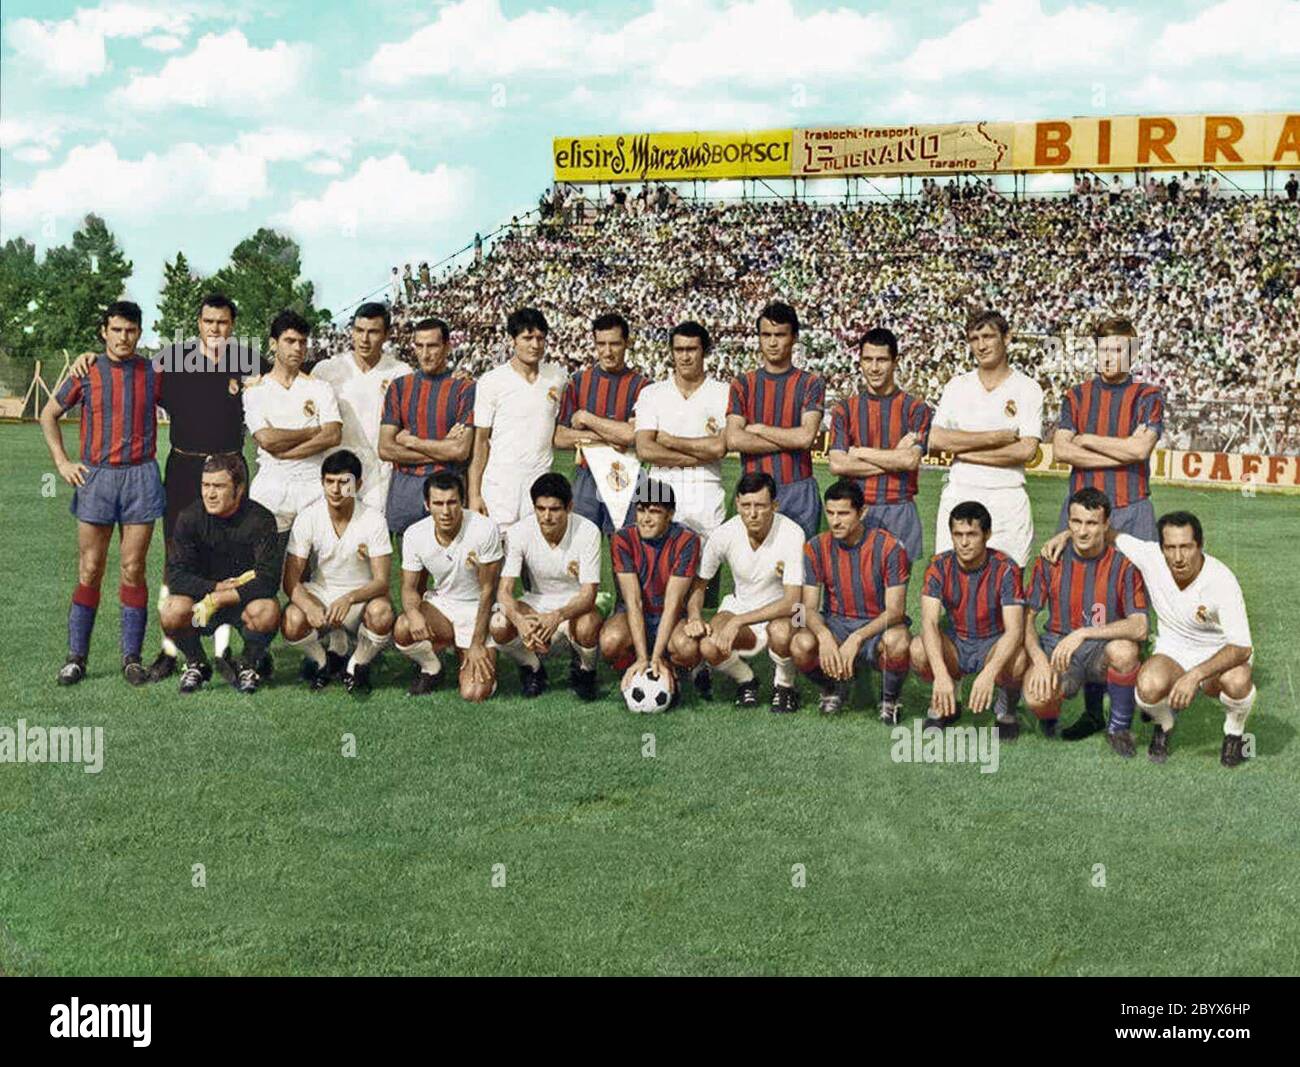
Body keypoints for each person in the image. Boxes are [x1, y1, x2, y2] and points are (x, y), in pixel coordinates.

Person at [67, 292, 248, 682]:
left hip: (231, 469)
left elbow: (283, 373)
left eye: (223, 322)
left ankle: (225, 651)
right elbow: (123, 363)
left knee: (230, 558)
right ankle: (170, 649)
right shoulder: (172, 361)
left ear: (233, 326)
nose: (216, 329)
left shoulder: (246, 361)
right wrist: (87, 356)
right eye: (208, 322)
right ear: (198, 323)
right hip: (184, 468)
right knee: (175, 559)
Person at [1040, 510, 1255, 767]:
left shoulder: (1221, 579)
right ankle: (1164, 725)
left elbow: (1241, 647)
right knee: (1149, 686)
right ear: (1161, 547)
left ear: (1200, 545)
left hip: (1218, 651)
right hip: (1174, 650)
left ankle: (1234, 734)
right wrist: (1067, 534)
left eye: (1186, 547)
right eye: (1170, 547)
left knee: (1238, 680)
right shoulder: (1150, 556)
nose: (1177, 557)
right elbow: (1108, 534)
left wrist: (1195, 675)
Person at [40, 300, 166, 686]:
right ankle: (76, 657)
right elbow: (48, 414)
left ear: (139, 333)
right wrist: (62, 462)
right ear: (104, 332)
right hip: (97, 478)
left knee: (133, 568)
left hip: (141, 477)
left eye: (130, 330)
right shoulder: (87, 370)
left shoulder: (153, 370)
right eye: (116, 330)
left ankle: (131, 657)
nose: (123, 337)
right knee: (90, 568)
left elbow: (197, 382)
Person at [1022, 488, 1149, 754]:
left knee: (1124, 651)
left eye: (1091, 523)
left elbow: (1140, 626)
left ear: (1106, 524)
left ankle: (1118, 728)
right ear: (1068, 523)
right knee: (1037, 698)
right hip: (1058, 647)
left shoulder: (1124, 566)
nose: (1082, 531)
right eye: (1076, 522)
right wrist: (1039, 662)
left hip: (1100, 649)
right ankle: (1051, 716)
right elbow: (1027, 619)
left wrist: (1083, 633)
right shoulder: (1050, 561)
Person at [160, 453, 283, 695]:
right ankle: (196, 663)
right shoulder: (189, 518)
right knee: (172, 610)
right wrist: (215, 589)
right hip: (202, 607)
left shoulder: (261, 519)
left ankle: (249, 663)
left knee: (267, 611)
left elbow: (268, 580)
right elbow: (175, 576)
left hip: (244, 603)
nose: (210, 494)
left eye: (219, 486)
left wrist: (223, 597)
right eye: (206, 485)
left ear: (239, 489)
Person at [789, 480, 911, 719]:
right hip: (836, 623)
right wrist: (824, 636)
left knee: (899, 642)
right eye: (830, 512)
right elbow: (806, 608)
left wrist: (857, 638)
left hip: (877, 624)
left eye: (843, 513)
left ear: (862, 512)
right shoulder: (815, 547)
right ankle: (832, 688)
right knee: (799, 644)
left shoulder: (890, 547)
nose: (835, 521)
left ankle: (890, 699)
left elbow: (896, 610)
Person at [929, 310, 1042, 566]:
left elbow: (1025, 451)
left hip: (1007, 493)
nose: (981, 345)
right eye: (974, 338)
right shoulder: (957, 386)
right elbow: (936, 439)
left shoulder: (1027, 388)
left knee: (1008, 581)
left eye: (988, 336)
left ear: (1007, 337)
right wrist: (994, 438)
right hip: (961, 489)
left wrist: (963, 451)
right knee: (952, 578)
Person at [683, 472, 804, 711]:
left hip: (783, 611)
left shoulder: (792, 533)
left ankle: (784, 686)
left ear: (774, 506)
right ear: (737, 503)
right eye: (746, 505)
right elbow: (699, 584)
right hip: (741, 606)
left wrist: (739, 621)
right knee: (709, 645)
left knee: (781, 632)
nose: (752, 513)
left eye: (760, 505)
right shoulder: (724, 534)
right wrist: (695, 616)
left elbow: (792, 601)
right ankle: (746, 681)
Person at [280, 450, 394, 693]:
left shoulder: (374, 519)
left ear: (358, 485)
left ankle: (356, 664)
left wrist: (350, 597)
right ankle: (323, 662)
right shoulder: (308, 517)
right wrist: (310, 607)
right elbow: (291, 580)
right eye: (330, 481)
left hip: (359, 597)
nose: (336, 489)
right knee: (292, 620)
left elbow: (382, 582)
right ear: (322, 483)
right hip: (321, 593)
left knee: (382, 613)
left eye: (344, 482)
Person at [911, 501, 1027, 739]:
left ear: (987, 535)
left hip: (992, 643)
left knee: (1019, 659)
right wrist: (941, 674)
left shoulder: (1006, 569)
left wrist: (989, 672)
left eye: (972, 534)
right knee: (918, 649)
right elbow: (929, 623)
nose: (963, 542)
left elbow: (1015, 630)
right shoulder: (939, 566)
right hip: (957, 642)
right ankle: (946, 703)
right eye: (958, 534)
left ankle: (1006, 710)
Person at [489, 473, 603, 700]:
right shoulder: (518, 532)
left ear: (569, 507)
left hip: (573, 604)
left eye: (555, 509)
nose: (547, 516)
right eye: (540, 509)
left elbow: (588, 594)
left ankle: (585, 671)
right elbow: (504, 591)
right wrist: (520, 621)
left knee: (588, 624)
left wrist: (556, 616)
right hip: (536, 601)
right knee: (499, 624)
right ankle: (533, 669)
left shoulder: (588, 531)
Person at [826, 326, 932, 564]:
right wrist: (895, 458)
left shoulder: (916, 409)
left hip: (899, 509)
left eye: (882, 360)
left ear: (896, 362)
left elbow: (910, 460)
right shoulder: (845, 409)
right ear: (860, 361)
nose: (874, 368)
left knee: (893, 599)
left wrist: (859, 452)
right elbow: (837, 464)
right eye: (868, 360)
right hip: (854, 511)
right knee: (851, 591)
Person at [394, 471, 503, 702]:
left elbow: (488, 591)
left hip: (479, 609)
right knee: (403, 627)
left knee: (474, 693)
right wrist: (413, 613)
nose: (446, 511)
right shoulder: (415, 534)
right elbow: (408, 588)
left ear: (462, 502)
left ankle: (474, 655)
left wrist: (476, 644)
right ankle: (433, 667)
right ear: (427, 504)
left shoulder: (485, 529)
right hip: (443, 607)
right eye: (438, 503)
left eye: (452, 502)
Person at [1052, 316, 1164, 539]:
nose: (1109, 358)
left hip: (1132, 508)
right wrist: (1124, 454)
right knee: (1070, 573)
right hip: (1081, 509)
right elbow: (1061, 451)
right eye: (1104, 350)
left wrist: (1087, 440)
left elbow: (1140, 450)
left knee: (1139, 574)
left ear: (1132, 355)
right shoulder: (1077, 395)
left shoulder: (1147, 396)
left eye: (1117, 351)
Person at [725, 301, 826, 539]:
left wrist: (759, 429)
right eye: (766, 335)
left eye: (780, 335)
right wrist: (791, 438)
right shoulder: (743, 384)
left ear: (794, 338)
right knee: (755, 570)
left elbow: (805, 438)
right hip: (753, 490)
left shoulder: (811, 383)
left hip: (798, 489)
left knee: (798, 569)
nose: (772, 342)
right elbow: (734, 439)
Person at [599, 479, 701, 707]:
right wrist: (644, 657)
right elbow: (633, 602)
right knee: (609, 642)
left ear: (670, 515)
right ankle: (636, 665)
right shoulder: (622, 539)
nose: (645, 518)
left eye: (654, 512)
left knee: (688, 648)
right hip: (634, 614)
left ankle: (669, 666)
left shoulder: (687, 540)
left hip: (671, 616)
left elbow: (673, 603)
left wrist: (655, 657)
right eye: (641, 510)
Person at [243, 310, 342, 542]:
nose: (297, 348)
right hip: (271, 484)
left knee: (315, 566)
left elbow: (332, 435)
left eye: (302, 342)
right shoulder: (256, 390)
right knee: (267, 564)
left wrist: (287, 453)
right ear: (273, 344)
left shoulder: (320, 387)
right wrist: (312, 431)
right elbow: (266, 439)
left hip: (313, 484)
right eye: (290, 341)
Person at [468, 307, 567, 533]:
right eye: (527, 338)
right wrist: (474, 495)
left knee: (535, 559)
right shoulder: (492, 381)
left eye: (540, 338)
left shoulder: (557, 377)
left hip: (540, 481)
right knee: (497, 560)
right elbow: (481, 442)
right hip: (500, 484)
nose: (535, 345)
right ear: (512, 340)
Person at [377, 317, 475, 538]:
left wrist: (411, 441)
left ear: (447, 346)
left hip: (449, 487)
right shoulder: (399, 387)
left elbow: (460, 451)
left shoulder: (465, 388)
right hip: (406, 488)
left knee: (452, 564)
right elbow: (385, 449)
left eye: (432, 345)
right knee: (409, 565)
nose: (425, 353)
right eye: (419, 346)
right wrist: (443, 449)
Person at [310, 302, 411, 514]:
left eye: (373, 332)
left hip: (379, 469)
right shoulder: (327, 369)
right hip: (338, 466)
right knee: (340, 531)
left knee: (371, 535)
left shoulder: (400, 372)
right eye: (359, 330)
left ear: (386, 335)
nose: (364, 339)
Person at [553, 312, 648, 534]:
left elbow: (631, 435)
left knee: (625, 550)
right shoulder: (578, 381)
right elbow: (560, 437)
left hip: (627, 474)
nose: (607, 351)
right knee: (580, 547)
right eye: (601, 344)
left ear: (627, 343)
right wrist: (607, 436)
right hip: (587, 476)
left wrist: (587, 418)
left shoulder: (642, 386)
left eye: (614, 344)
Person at [633, 321, 730, 538]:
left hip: (706, 489)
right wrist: (699, 455)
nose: (685, 357)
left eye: (691, 349)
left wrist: (671, 441)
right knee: (659, 567)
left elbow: (719, 447)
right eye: (679, 350)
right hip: (660, 488)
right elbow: (646, 450)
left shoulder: (723, 392)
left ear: (704, 351)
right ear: (671, 352)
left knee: (703, 568)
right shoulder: (652, 393)